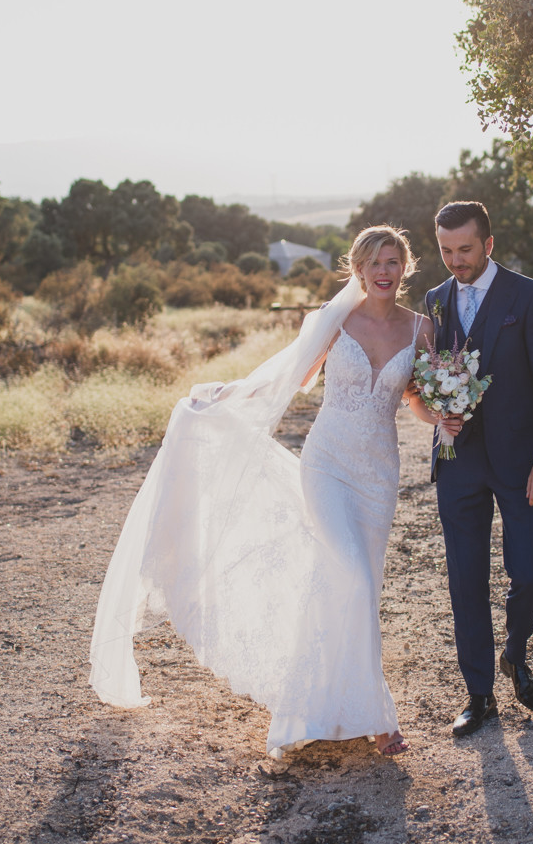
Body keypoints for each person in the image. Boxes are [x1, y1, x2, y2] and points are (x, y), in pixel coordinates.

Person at [89, 225, 442, 759]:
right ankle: (365, 715)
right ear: (358, 270)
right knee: (349, 569)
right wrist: (227, 395)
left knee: (359, 585)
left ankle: (351, 708)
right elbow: (291, 376)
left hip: (378, 474)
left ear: (405, 266)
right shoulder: (337, 320)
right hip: (327, 466)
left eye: (393, 262)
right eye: (374, 263)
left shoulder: (421, 330)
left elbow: (415, 398)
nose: (384, 272)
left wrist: (445, 413)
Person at [423, 201, 533, 738]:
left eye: (464, 249)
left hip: (521, 463)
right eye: (445, 251)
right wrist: (438, 411)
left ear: (488, 244)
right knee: (466, 579)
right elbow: (430, 375)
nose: (455, 261)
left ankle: (515, 651)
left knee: (529, 571)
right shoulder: (435, 302)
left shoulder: (529, 296)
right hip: (458, 460)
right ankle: (479, 694)